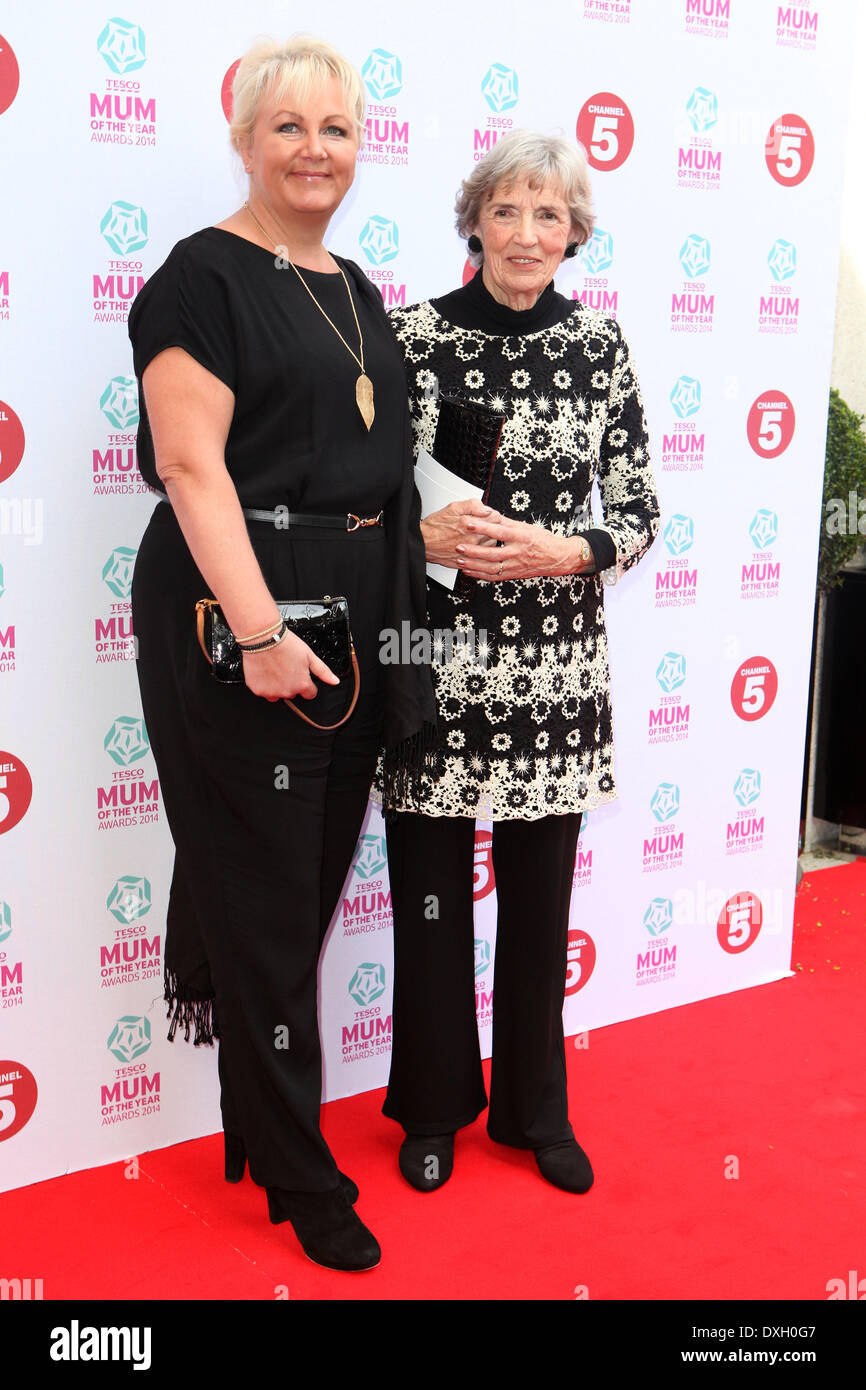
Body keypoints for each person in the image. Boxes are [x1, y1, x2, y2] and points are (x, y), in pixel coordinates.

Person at [128, 35, 434, 1271]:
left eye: (338, 129)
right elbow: (192, 465)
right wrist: (256, 629)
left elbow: (373, 460)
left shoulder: (356, 286)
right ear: (245, 138)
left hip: (359, 606)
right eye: (290, 126)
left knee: (298, 884)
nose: (316, 149)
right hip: (241, 605)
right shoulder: (199, 279)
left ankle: (256, 1120)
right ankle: (297, 1172)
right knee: (262, 897)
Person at [382, 129, 660, 1194]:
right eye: (508, 209)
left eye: (550, 215)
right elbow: (363, 501)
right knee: (430, 897)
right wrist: (415, 538)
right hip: (435, 656)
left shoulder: (600, 346)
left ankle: (534, 1108)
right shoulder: (406, 336)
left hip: (555, 673)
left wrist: (569, 550)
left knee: (539, 903)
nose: (527, 232)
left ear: (573, 235)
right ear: (474, 222)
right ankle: (433, 1107)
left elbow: (636, 509)